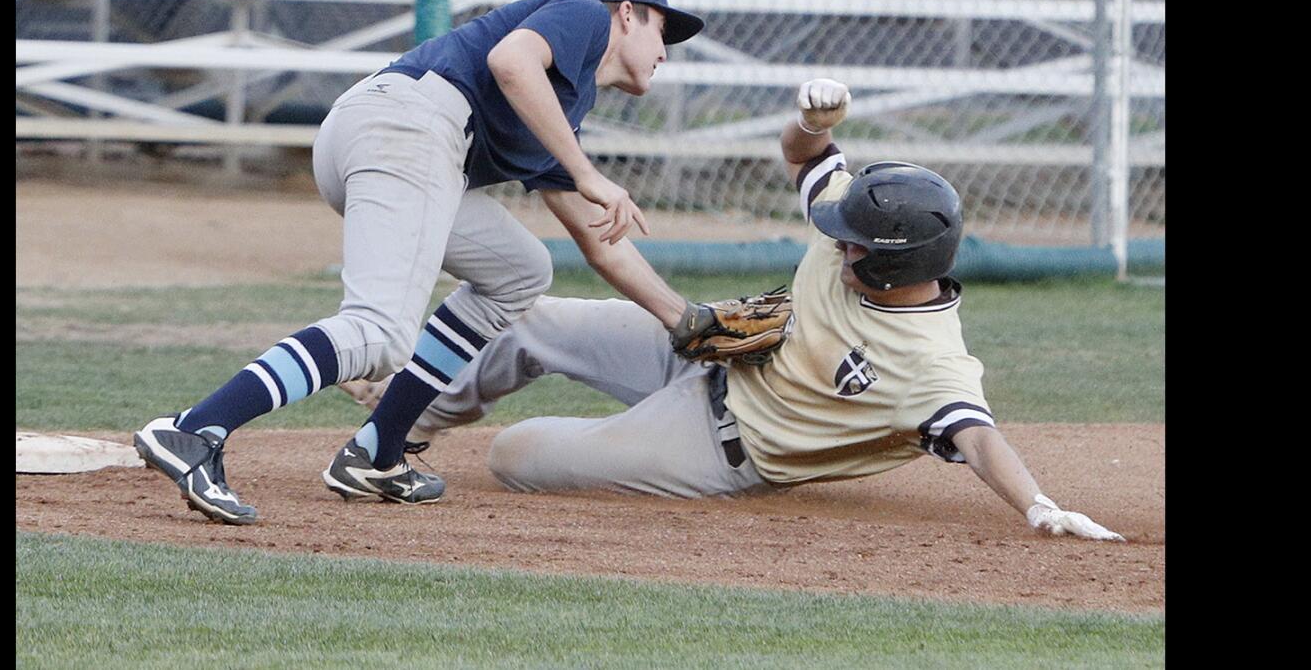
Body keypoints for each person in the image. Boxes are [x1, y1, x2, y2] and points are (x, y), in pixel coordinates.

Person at [389, 78, 1124, 541]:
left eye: (854, 245)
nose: (837, 244)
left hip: (717, 448)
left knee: (515, 454)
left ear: (898, 261)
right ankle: (399, 428)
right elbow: (806, 157)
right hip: (710, 351)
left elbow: (979, 438)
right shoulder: (855, 228)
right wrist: (813, 121)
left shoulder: (933, 367)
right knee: (524, 314)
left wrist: (1037, 505)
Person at [134, 0, 708, 524]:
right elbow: (511, 62)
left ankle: (378, 450)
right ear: (627, 14)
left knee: (520, 270)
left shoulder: (563, 107)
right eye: (662, 28)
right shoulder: (583, 13)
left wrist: (686, 321)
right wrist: (585, 171)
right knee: (379, 333)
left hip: (394, 135)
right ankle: (194, 430)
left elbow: (596, 237)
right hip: (409, 128)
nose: (665, 50)